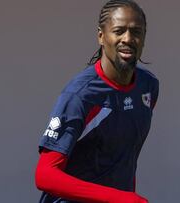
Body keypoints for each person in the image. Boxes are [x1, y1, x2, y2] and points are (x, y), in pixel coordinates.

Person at [35, 0, 159, 202]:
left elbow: (124, 158)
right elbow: (45, 176)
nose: (128, 38)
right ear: (101, 36)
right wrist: (121, 199)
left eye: (136, 32)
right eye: (119, 31)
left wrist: (126, 196)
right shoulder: (80, 95)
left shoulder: (148, 87)